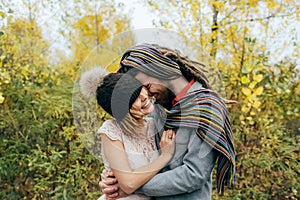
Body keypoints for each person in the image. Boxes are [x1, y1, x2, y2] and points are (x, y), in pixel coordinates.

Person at [100, 44, 236, 200]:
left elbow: (194, 174)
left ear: (160, 70)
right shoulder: (159, 108)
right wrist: (113, 178)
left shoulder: (207, 108)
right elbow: (140, 153)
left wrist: (133, 186)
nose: (148, 94)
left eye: (147, 86)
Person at [79, 69, 176, 200]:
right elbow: (128, 184)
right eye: (133, 98)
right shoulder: (112, 131)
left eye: (138, 89)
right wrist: (165, 157)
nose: (143, 97)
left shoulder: (156, 124)